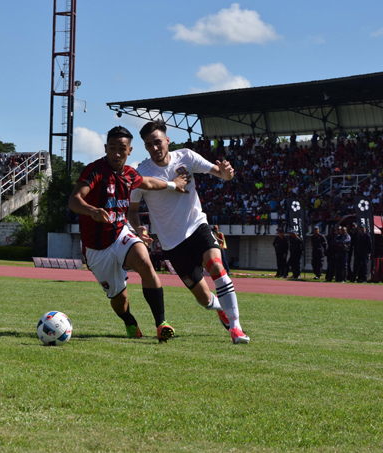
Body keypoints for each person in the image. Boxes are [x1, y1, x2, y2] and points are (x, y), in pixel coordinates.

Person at [128, 120, 250, 344]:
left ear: (167, 140)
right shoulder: (140, 174)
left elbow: (222, 174)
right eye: (149, 145)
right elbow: (132, 210)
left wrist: (227, 173)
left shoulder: (186, 156)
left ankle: (236, 328)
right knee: (204, 299)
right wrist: (139, 228)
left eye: (157, 142)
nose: (155, 148)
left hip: (197, 227)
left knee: (216, 266)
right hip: (172, 244)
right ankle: (220, 308)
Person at [68, 125, 188, 342]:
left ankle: (161, 323)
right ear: (105, 148)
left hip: (120, 234)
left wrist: (173, 184)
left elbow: (149, 182)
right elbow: (74, 199)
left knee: (144, 260)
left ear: (130, 150)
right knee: (119, 299)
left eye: (121, 149)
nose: (116, 153)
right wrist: (92, 210)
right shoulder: (94, 171)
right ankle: (130, 322)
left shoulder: (130, 174)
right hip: (96, 248)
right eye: (112, 148)